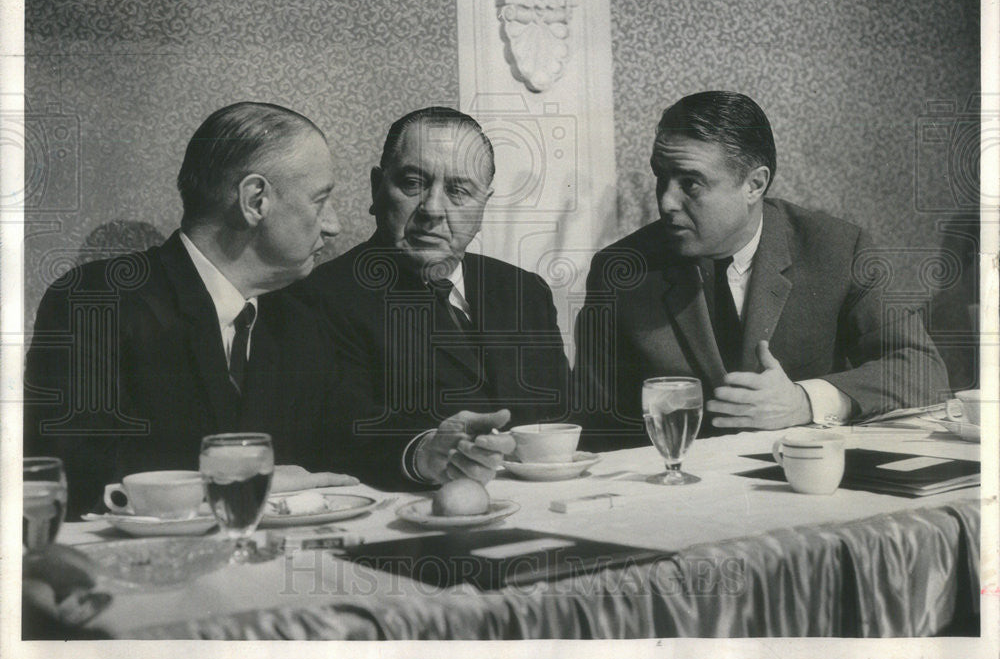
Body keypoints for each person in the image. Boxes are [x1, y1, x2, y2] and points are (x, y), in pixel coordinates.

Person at [573, 91, 949, 450]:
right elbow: (593, 425)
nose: (667, 201)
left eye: (690, 183)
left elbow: (922, 368)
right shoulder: (620, 270)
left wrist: (805, 400)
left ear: (755, 184)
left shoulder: (836, 249)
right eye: (661, 176)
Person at [24, 102, 346, 518]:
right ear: (255, 200)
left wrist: (425, 450)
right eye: (321, 201)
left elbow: (345, 447)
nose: (334, 224)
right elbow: (71, 468)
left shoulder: (300, 321)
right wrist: (234, 484)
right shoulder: (94, 300)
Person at [293, 107, 570, 489]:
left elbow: (563, 422)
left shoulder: (525, 292)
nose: (433, 210)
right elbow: (334, 436)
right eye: (412, 183)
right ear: (377, 187)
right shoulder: (316, 298)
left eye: (458, 191)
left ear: (482, 205)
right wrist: (420, 453)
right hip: (411, 524)